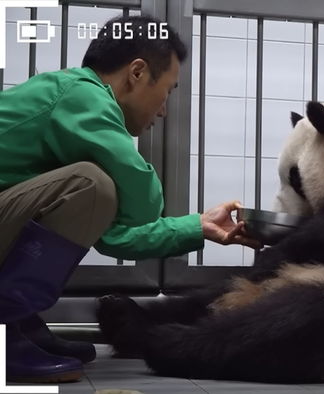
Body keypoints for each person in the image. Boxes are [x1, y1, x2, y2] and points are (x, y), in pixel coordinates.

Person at [0, 15, 259, 383]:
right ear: (137, 72)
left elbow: (115, 236)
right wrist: (127, 185)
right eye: (169, 89)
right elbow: (141, 203)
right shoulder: (80, 95)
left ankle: (17, 322)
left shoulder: (74, 114)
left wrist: (197, 227)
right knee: (91, 183)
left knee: (94, 189)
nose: (165, 108)